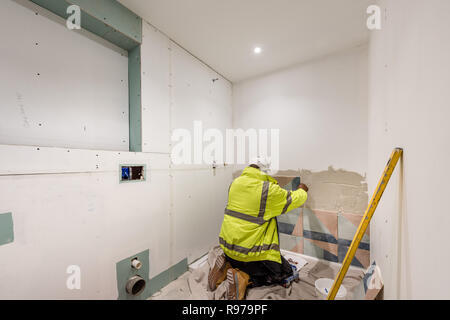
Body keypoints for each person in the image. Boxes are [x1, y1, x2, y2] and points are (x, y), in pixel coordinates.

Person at [208, 158, 309, 300]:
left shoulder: (235, 184)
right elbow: (295, 199)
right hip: (251, 254)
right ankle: (244, 277)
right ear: (265, 172)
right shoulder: (267, 189)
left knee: (242, 259)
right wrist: (302, 190)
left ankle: (227, 265)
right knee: (284, 273)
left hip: (229, 248)